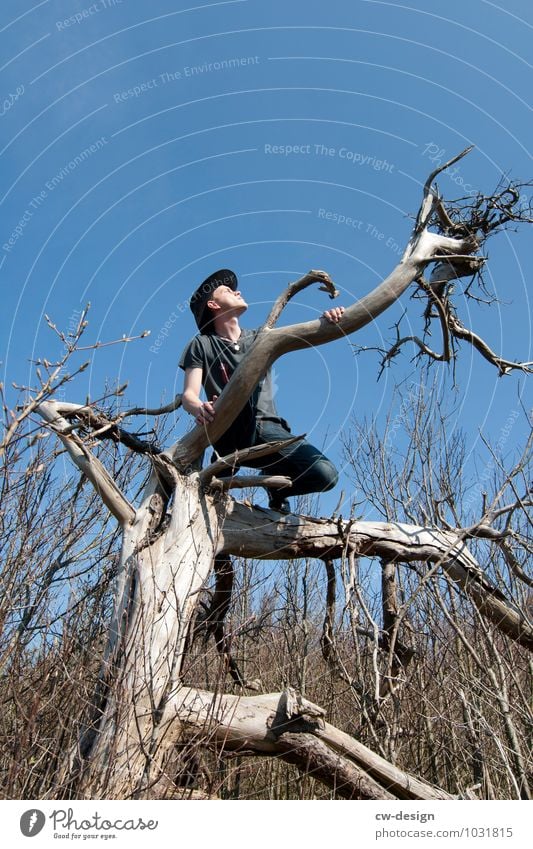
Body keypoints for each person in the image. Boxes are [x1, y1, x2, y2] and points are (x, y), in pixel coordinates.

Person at [179, 269, 344, 512]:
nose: (237, 291)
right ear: (213, 304)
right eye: (227, 290)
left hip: (267, 426)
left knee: (325, 475)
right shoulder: (201, 344)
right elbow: (188, 395)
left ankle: (276, 489)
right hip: (227, 430)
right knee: (209, 499)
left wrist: (328, 319)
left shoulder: (261, 336)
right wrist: (198, 407)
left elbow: (305, 333)